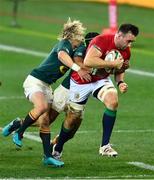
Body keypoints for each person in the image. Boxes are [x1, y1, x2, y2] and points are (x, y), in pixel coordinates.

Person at [2, 30, 98, 166]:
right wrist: (78, 68)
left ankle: (46, 156)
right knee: (41, 108)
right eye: (79, 37)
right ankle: (20, 132)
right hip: (36, 81)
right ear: (72, 37)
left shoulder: (81, 50)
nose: (81, 40)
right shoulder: (65, 44)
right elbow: (62, 55)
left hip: (47, 86)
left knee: (47, 121)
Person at [51, 24, 139, 161]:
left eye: (132, 41)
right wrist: (113, 64)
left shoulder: (126, 50)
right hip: (80, 81)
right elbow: (89, 61)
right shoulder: (101, 40)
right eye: (129, 40)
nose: (130, 44)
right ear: (119, 35)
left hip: (100, 80)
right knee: (72, 119)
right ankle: (58, 147)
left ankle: (105, 145)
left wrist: (120, 82)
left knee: (113, 101)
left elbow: (120, 69)